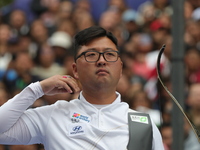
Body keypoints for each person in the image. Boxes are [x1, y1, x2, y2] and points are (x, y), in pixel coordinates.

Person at [0, 26, 164, 150]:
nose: (101, 61)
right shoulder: (53, 115)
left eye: (109, 54)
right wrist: (38, 89)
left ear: (120, 68)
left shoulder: (144, 124)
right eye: (91, 55)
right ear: (75, 70)